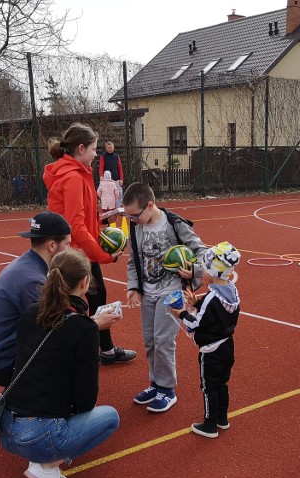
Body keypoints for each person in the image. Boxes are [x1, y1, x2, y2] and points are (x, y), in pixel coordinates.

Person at [0, 250, 121, 478]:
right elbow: (87, 399)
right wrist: (91, 328)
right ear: (85, 282)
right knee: (110, 417)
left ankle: (43, 455)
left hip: (4, 428)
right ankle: (49, 464)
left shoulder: (32, 311)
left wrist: (88, 323)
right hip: (38, 437)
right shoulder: (84, 330)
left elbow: (57, 331)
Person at [43, 122, 136, 365]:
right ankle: (87, 351)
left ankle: (100, 349)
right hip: (73, 251)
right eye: (94, 149)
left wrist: (102, 220)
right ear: (81, 148)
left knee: (89, 297)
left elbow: (82, 216)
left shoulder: (78, 172)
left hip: (76, 248)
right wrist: (102, 255)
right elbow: (75, 225)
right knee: (79, 299)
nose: (96, 154)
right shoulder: (73, 177)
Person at [124, 182, 207, 413]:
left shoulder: (174, 224)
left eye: (134, 215)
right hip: (148, 292)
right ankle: (156, 383)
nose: (131, 220)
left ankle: (167, 389)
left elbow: (203, 252)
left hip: (171, 293)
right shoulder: (136, 228)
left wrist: (194, 271)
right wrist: (133, 287)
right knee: (150, 341)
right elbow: (133, 262)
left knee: (162, 340)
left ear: (150, 205)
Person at [0, 211, 73, 386]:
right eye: (67, 244)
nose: (69, 250)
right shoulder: (32, 281)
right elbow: (53, 329)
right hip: (4, 363)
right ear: (52, 246)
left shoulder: (26, 264)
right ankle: (28, 406)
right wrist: (94, 325)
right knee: (69, 353)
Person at [170, 242, 241, 439]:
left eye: (205, 267)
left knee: (209, 386)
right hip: (227, 345)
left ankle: (210, 424)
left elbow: (197, 324)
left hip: (211, 350)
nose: (201, 271)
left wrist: (183, 313)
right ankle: (222, 418)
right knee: (222, 383)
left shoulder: (212, 298)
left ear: (213, 271)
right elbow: (216, 313)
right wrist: (197, 302)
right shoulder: (232, 291)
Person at [99, 140, 124, 206]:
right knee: (108, 196)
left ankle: (118, 209)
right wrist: (101, 176)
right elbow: (101, 167)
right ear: (106, 148)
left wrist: (121, 179)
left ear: (113, 147)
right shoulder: (103, 157)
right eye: (109, 147)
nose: (110, 149)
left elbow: (120, 168)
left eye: (111, 147)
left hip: (116, 179)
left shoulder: (116, 157)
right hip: (107, 180)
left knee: (119, 194)